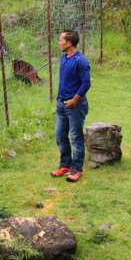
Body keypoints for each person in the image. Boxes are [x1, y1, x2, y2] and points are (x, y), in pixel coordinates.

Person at [51, 29, 91, 182]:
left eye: (61, 40)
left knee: (75, 137)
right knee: (60, 135)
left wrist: (75, 99)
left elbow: (86, 83)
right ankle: (65, 165)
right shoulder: (64, 57)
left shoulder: (81, 60)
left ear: (68, 43)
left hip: (75, 105)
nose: (59, 42)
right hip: (61, 104)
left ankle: (76, 169)